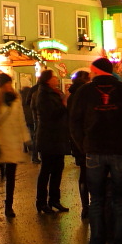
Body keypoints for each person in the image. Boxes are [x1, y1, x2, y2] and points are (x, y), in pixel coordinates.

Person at [69, 57, 122, 244]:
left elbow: (74, 121)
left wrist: (83, 145)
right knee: (120, 200)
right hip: (120, 150)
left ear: (96, 71)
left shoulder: (85, 92)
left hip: (94, 150)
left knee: (97, 200)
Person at [0, 72, 32, 218]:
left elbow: (21, 120)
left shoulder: (16, 99)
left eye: (10, 83)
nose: (9, 86)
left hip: (14, 142)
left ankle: (9, 205)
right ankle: (1, 168)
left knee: (11, 175)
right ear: (2, 85)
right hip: (2, 142)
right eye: (6, 84)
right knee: (7, 171)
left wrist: (26, 139)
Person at [34, 69, 71, 214]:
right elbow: (51, 115)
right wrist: (64, 103)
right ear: (48, 80)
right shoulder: (43, 95)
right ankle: (41, 202)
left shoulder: (55, 93)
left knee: (58, 170)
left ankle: (54, 200)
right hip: (48, 138)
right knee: (46, 171)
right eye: (54, 77)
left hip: (58, 137)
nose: (56, 79)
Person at [70, 70, 92, 211]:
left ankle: (85, 206)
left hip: (77, 140)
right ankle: (91, 204)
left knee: (84, 174)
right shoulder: (85, 95)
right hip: (87, 141)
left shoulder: (72, 96)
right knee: (91, 174)